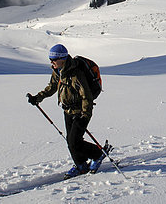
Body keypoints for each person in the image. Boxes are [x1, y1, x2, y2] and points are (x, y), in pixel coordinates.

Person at [27, 44, 109, 178]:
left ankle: (97, 154)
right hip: (67, 111)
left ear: (62, 59)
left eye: (53, 59)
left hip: (80, 112)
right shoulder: (58, 71)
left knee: (74, 141)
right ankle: (81, 165)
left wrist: (85, 114)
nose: (51, 62)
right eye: (50, 59)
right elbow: (52, 87)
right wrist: (38, 97)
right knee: (70, 140)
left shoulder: (76, 73)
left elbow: (86, 95)